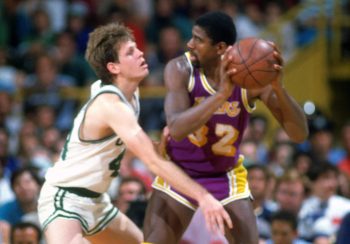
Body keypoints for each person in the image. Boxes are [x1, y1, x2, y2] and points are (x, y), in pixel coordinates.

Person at [37, 22, 232, 244]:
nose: (140, 53)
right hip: (65, 199)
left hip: (97, 203)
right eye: (130, 52)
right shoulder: (110, 104)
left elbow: (131, 144)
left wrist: (159, 145)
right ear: (113, 67)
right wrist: (203, 196)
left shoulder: (130, 93)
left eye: (137, 48)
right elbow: (152, 161)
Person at [143, 11, 308, 244]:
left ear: (220, 48)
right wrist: (221, 95)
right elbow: (177, 128)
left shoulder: (250, 81)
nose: (190, 44)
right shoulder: (180, 69)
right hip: (179, 170)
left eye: (198, 39)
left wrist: (279, 89)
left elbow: (299, 134)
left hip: (224, 174)